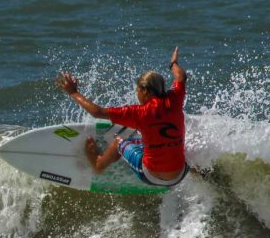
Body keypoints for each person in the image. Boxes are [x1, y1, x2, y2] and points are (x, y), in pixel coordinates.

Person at [55, 47, 189, 187]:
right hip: (180, 175)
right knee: (186, 145)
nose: (137, 95)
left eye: (137, 91)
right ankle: (198, 172)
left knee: (119, 141)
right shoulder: (176, 98)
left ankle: (98, 164)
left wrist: (73, 92)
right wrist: (173, 63)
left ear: (145, 91)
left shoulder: (138, 113)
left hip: (151, 176)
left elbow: (97, 112)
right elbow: (181, 76)